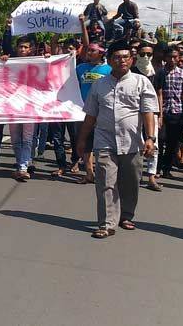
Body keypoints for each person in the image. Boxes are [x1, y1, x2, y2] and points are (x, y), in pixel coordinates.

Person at [77, 40, 158, 238]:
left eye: (125, 57)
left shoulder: (141, 82)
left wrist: (150, 138)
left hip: (132, 142)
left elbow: (148, 111)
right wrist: (82, 139)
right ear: (110, 60)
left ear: (131, 60)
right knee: (105, 181)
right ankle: (107, 223)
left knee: (130, 181)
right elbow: (90, 116)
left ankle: (127, 215)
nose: (121, 61)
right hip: (104, 140)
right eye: (117, 57)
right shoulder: (99, 85)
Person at [70, 43, 112, 183]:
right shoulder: (80, 68)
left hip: (102, 112)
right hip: (82, 111)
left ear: (101, 53)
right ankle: (89, 173)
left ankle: (103, 173)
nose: (89, 52)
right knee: (85, 144)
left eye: (92, 50)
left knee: (102, 145)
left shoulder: (109, 70)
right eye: (88, 50)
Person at [0, 35, 40, 181]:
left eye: (26, 47)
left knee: (27, 139)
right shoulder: (9, 62)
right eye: (20, 47)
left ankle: (23, 167)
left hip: (30, 107)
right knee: (16, 138)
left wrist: (47, 59)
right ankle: (20, 164)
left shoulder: (38, 62)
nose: (22, 49)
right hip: (13, 106)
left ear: (31, 49)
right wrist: (2, 61)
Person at [132, 41, 163, 191]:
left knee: (153, 144)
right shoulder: (132, 70)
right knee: (136, 143)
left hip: (152, 113)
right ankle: (135, 175)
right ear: (137, 54)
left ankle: (151, 176)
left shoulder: (157, 71)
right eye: (142, 54)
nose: (145, 57)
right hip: (134, 112)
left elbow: (159, 93)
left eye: (149, 54)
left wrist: (160, 114)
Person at [155, 47, 183, 178]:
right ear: (165, 58)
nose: (172, 59)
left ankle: (167, 169)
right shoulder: (160, 73)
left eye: (175, 57)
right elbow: (157, 92)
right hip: (162, 111)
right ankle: (157, 169)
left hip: (177, 111)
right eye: (170, 57)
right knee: (160, 140)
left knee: (172, 142)